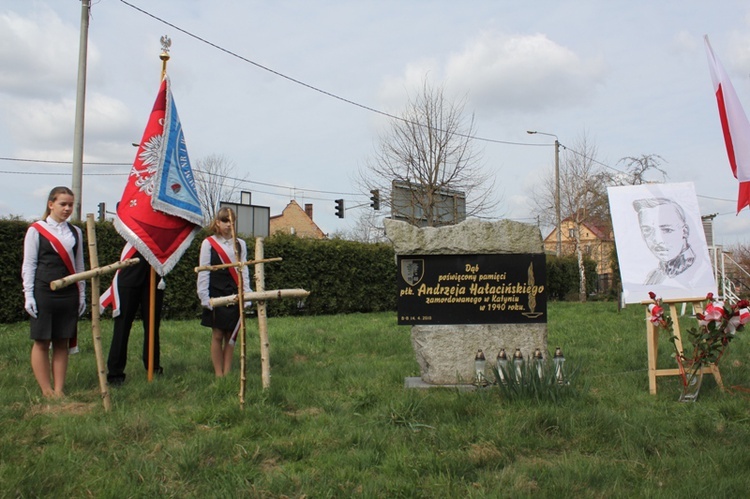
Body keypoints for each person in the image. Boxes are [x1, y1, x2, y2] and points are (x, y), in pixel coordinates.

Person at [21, 186, 86, 398]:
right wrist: (28, 294)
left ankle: (59, 389)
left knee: (62, 340)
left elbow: (79, 266)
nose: (67, 209)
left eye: (70, 205)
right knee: (42, 341)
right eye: (63, 204)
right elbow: (29, 265)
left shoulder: (76, 232)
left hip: (68, 294)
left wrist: (82, 295)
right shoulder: (36, 230)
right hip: (43, 291)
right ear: (51, 204)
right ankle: (46, 390)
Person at [197, 207, 252, 377]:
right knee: (218, 334)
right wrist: (204, 296)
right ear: (218, 223)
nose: (229, 225)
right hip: (216, 292)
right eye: (225, 221)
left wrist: (247, 293)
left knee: (231, 335)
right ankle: (218, 373)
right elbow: (204, 271)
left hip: (234, 292)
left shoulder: (240, 244)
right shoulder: (208, 243)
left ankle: (227, 373)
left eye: (232, 221)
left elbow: (244, 272)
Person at [101, 243, 165, 385]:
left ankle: (153, 367)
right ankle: (115, 373)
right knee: (122, 326)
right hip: (129, 274)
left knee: (152, 326)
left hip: (153, 274)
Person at [632, 197, 712, 286]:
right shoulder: (654, 276)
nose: (658, 240)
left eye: (667, 230)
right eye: (647, 231)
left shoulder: (699, 274)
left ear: (685, 231)